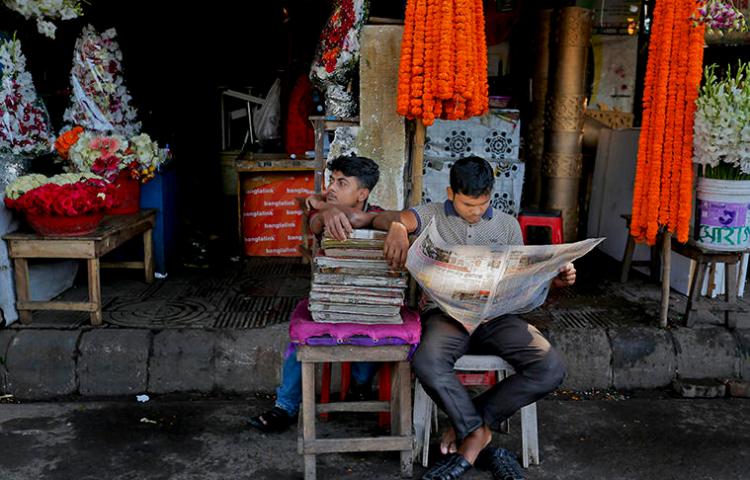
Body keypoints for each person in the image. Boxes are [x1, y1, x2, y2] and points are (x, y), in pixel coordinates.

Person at [372, 157, 575, 480]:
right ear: (451, 192)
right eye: (468, 204)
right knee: (427, 362)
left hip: (497, 315)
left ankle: (471, 426)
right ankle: (475, 433)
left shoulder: (507, 225)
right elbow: (386, 217)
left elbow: (519, 278)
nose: (476, 211)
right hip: (447, 315)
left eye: (483, 204)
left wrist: (553, 280)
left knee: (550, 368)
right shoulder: (431, 214)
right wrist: (397, 227)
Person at [249, 155, 384, 433]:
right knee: (300, 341)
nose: (332, 187)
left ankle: (360, 386)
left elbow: (383, 220)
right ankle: (285, 407)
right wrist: (324, 209)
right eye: (332, 180)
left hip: (370, 304)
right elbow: (315, 222)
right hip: (329, 303)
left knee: (377, 336)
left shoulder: (378, 215)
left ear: (362, 194)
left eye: (342, 183)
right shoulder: (320, 215)